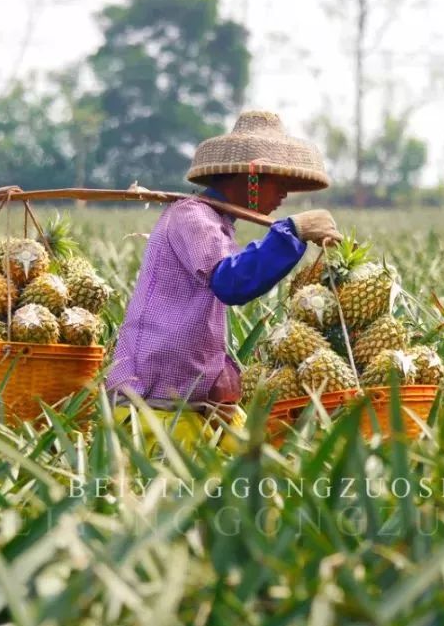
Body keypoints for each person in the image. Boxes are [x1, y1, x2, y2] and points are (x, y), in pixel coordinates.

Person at [105, 110, 342, 449]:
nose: (284, 195)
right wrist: (291, 232)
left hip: (193, 404)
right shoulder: (191, 216)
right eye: (279, 182)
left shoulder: (216, 223)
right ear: (252, 177)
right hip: (152, 406)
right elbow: (232, 281)